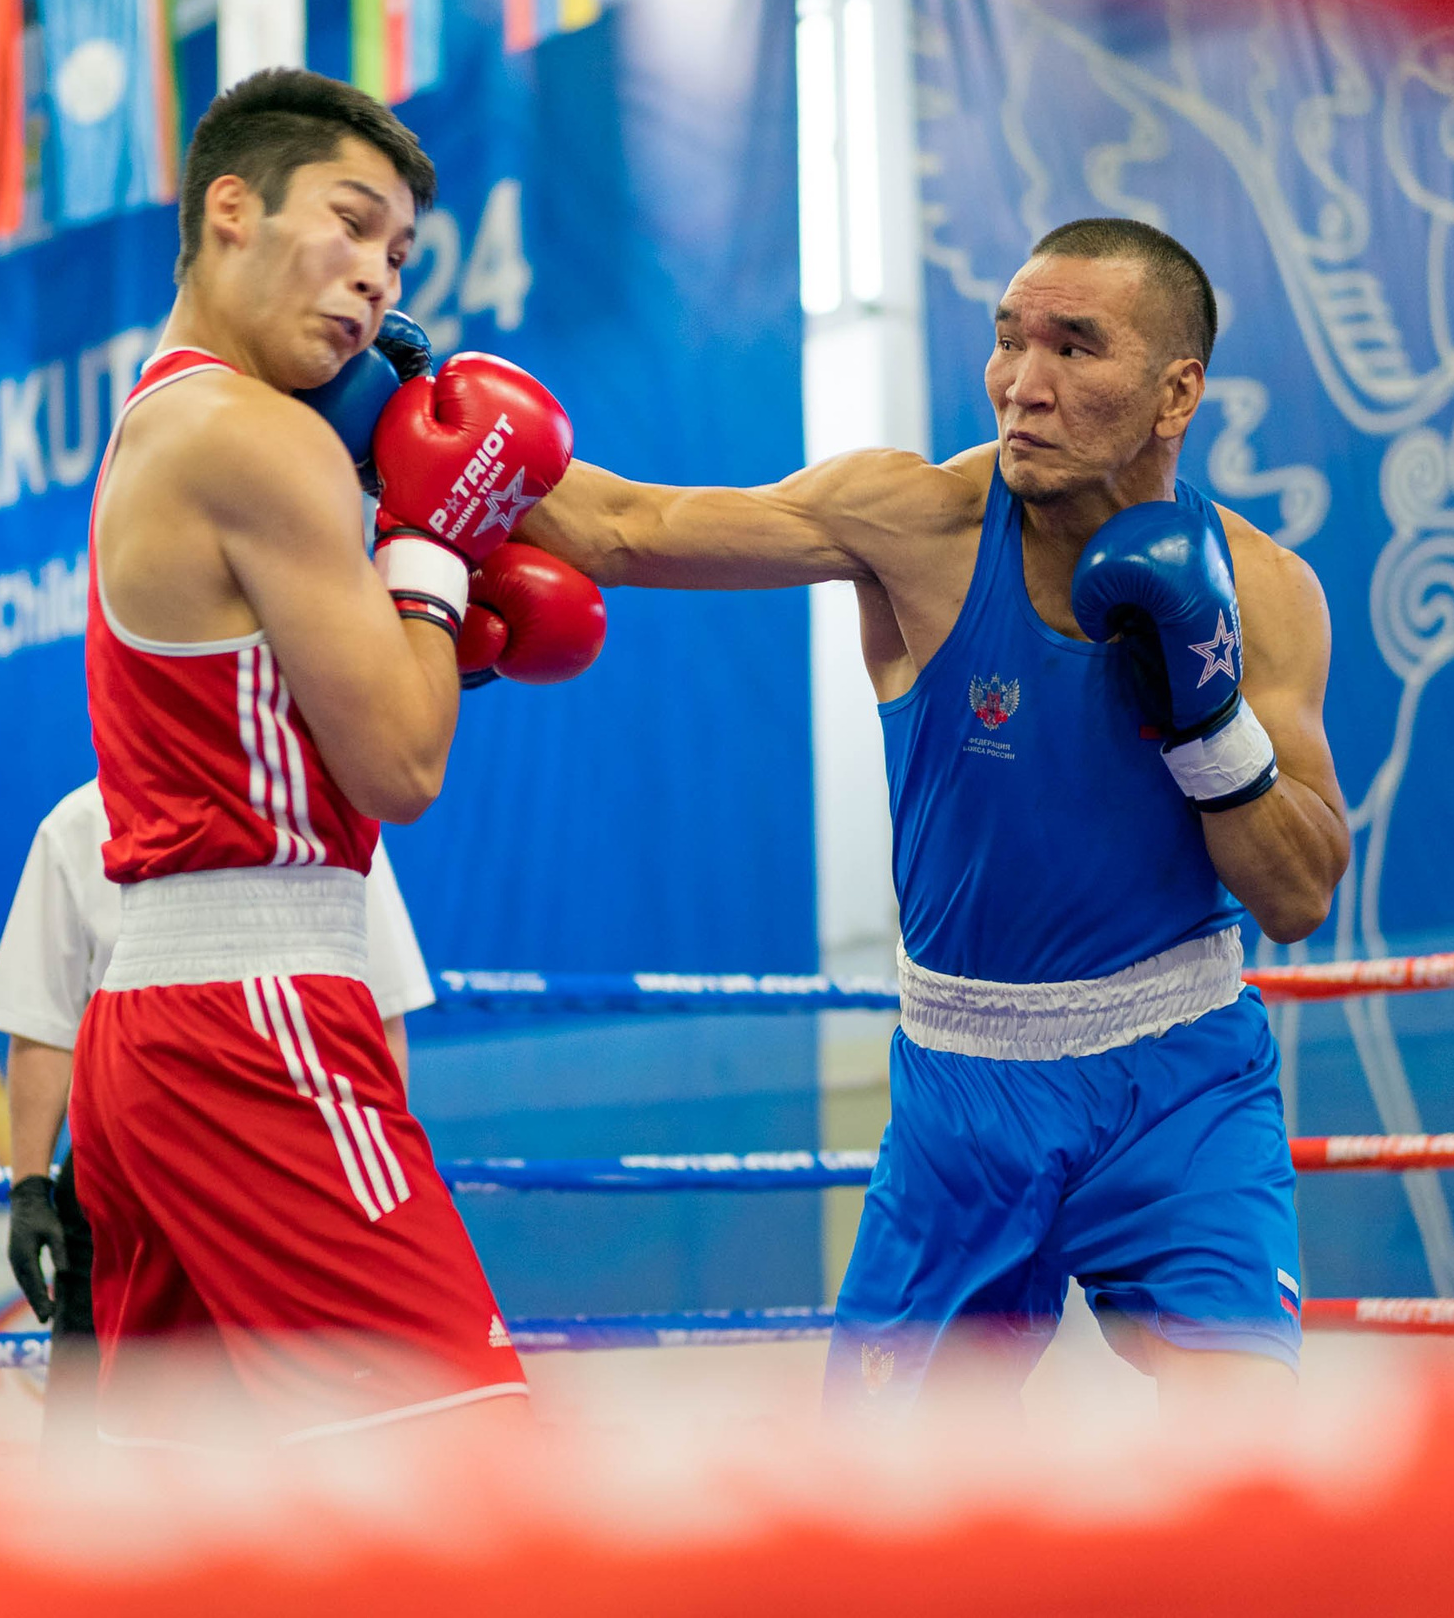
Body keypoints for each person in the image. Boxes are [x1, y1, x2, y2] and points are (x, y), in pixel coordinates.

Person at [519, 217, 1351, 1418]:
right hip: (963, 1090)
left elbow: (1298, 893)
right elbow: (624, 529)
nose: (1022, 384)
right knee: (883, 1488)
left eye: (1074, 348)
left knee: (1249, 1445)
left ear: (1177, 393)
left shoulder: (1262, 593)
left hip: (1179, 1076)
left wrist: (1208, 715)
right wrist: (403, 423)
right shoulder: (916, 522)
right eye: (1009, 339)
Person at [69, 66, 595, 1446]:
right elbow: (403, 769)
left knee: (192, 1501)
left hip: (147, 1025)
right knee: (470, 1460)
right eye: (352, 223)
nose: (376, 275)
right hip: (257, 1012)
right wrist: (428, 550)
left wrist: (425, 602)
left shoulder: (165, 417)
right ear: (230, 210)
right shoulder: (263, 438)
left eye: (399, 254)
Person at [0, 776, 440, 1450]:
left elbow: (382, 1012)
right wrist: (28, 1188)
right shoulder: (77, 823)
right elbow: (43, 1022)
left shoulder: (326, 810)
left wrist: (365, 1173)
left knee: (301, 1424)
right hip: (128, 1170)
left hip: (287, 1166)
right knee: (91, 1436)